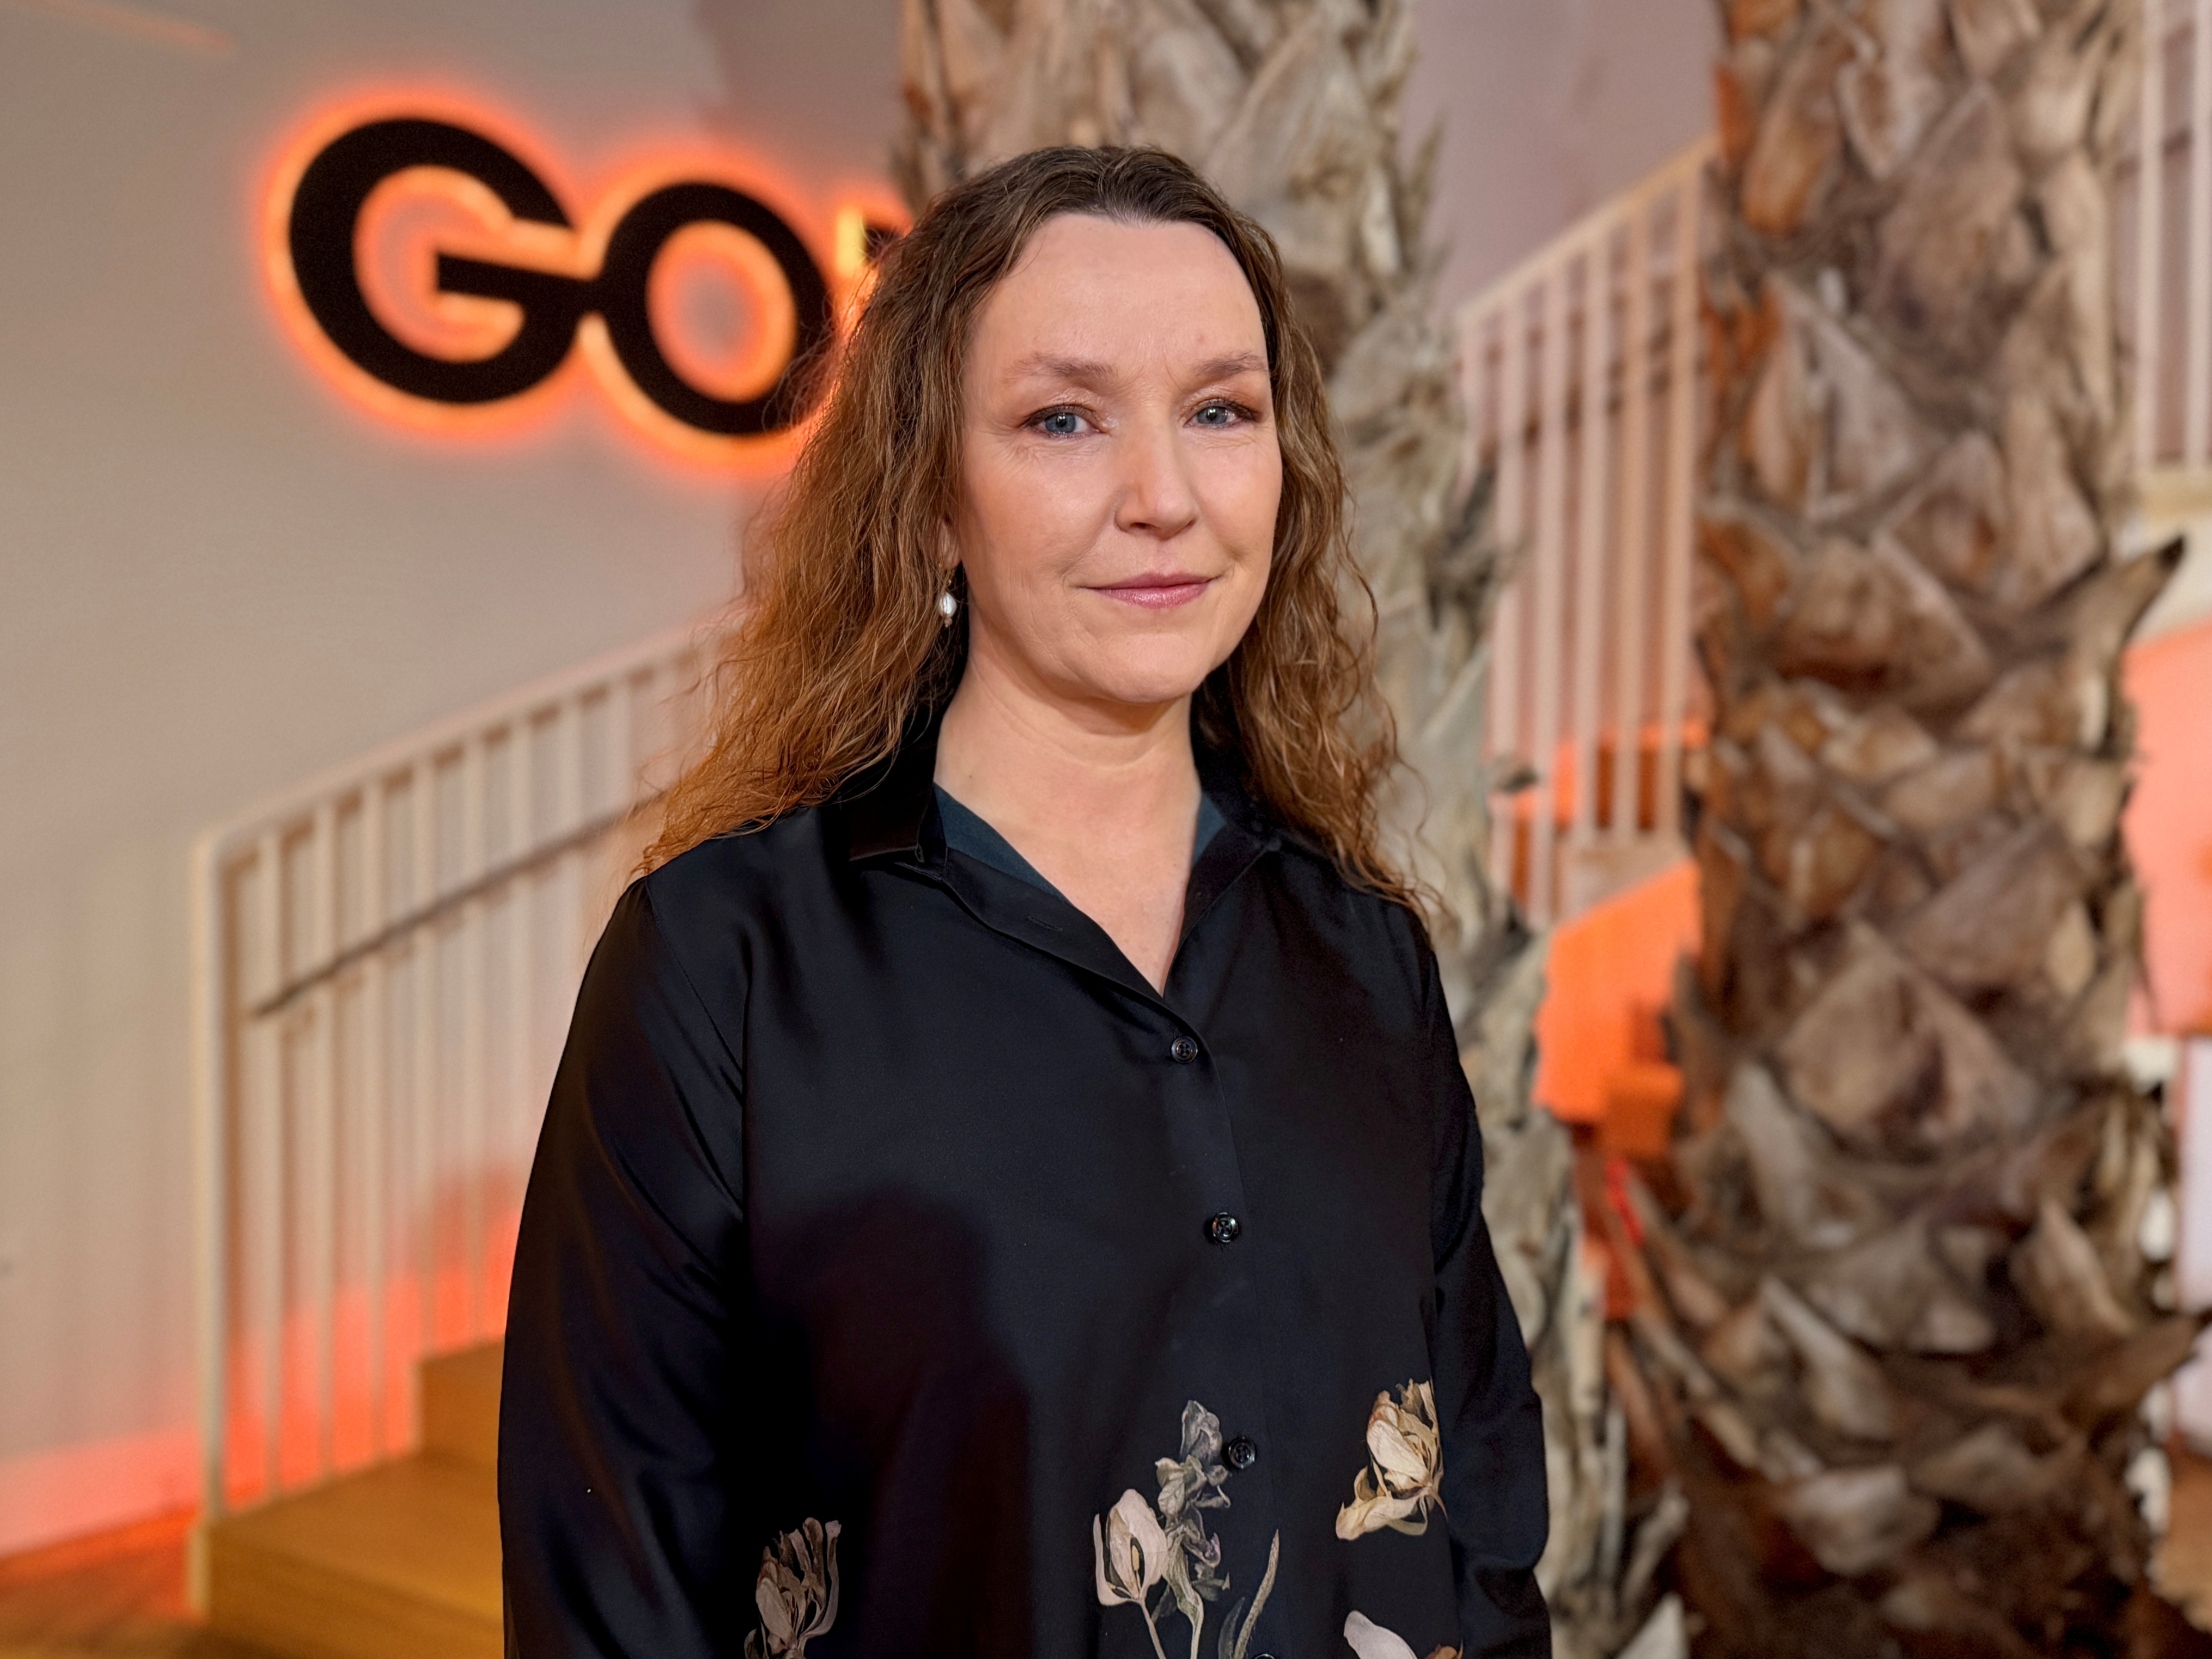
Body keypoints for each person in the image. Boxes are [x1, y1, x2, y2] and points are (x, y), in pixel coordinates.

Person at [498, 145, 1550, 1659]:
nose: (1164, 498)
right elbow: (613, 1595)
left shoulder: (1363, 957)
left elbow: (1482, 1509)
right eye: (1064, 419)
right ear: (932, 497)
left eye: (1220, 411)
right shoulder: (726, 967)